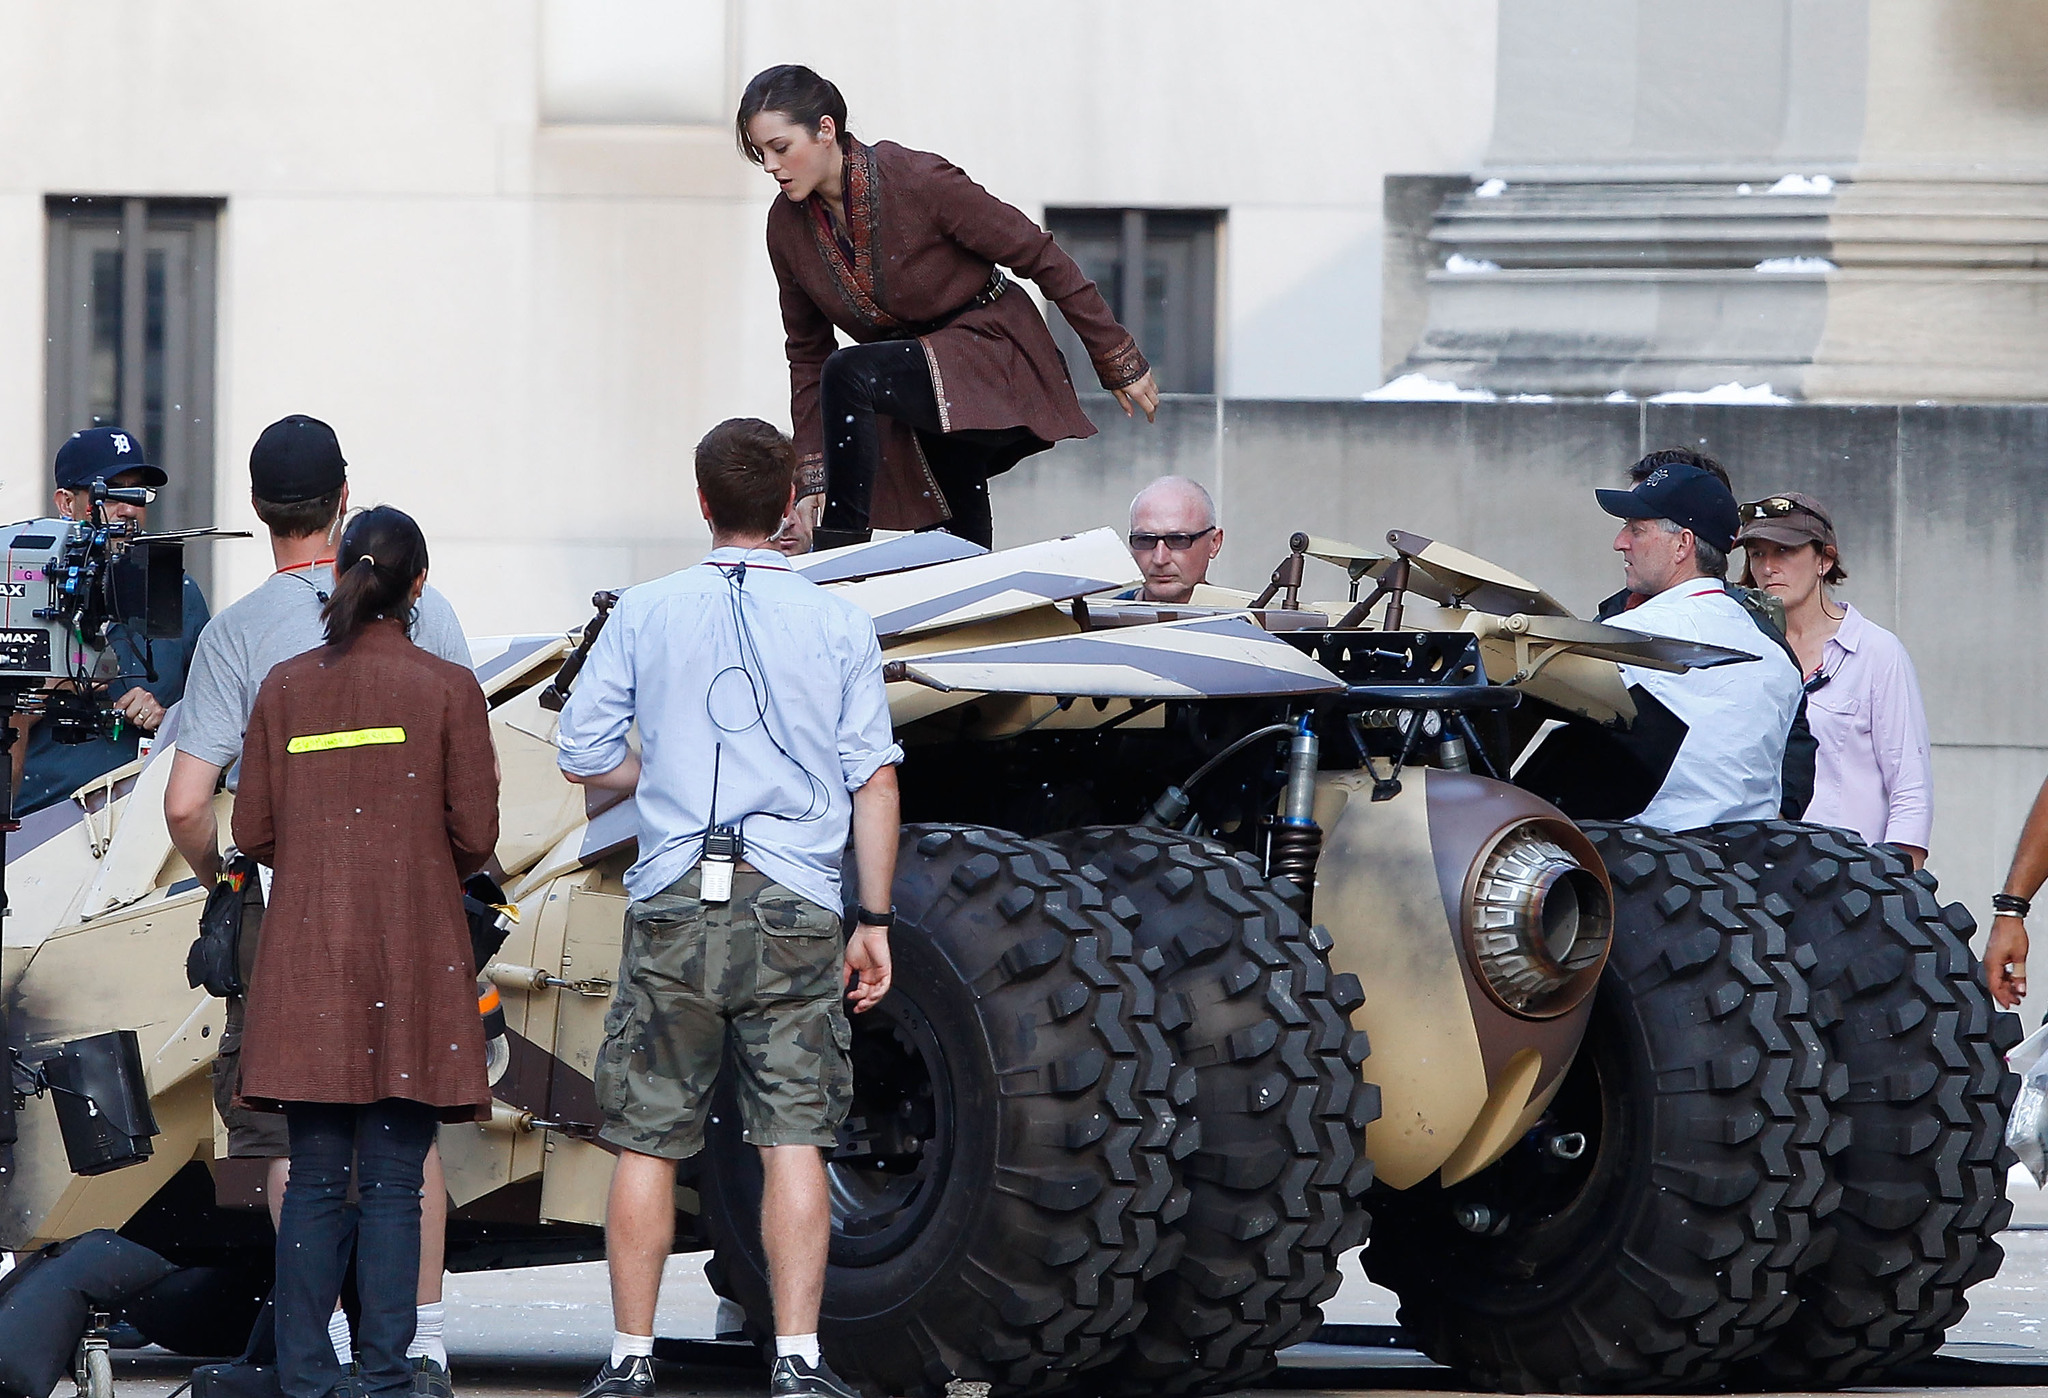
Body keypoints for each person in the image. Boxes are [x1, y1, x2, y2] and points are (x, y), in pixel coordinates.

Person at [556, 418, 901, 1398]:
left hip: (672, 899)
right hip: (794, 903)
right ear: (792, 509)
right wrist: (869, 920)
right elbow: (872, 780)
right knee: (793, 1134)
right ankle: (795, 1356)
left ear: (702, 504)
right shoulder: (839, 622)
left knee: (648, 1139)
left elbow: (581, 752)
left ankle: (629, 1360)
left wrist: (654, 771)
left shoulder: (646, 611)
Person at [163, 415, 473, 1392]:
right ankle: (413, 1343)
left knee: (303, 1139)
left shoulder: (239, 636)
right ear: (345, 497)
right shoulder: (428, 610)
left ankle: (318, 1350)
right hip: (415, 913)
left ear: (260, 512)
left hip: (293, 914)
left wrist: (224, 873)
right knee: (401, 1127)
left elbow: (185, 803)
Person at [232, 506, 499, 1398]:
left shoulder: (283, 686)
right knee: (392, 1180)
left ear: (341, 571)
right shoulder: (446, 689)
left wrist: (323, 858)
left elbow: (253, 829)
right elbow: (477, 831)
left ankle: (307, 1376)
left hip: (306, 954)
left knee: (312, 1175)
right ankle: (386, 1374)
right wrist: (408, 857)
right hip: (412, 955)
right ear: (418, 586)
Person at [739, 64, 1160, 552]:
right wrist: (813, 473)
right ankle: (964, 593)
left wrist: (1113, 353)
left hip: (990, 349)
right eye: (760, 153)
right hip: (911, 381)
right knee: (950, 534)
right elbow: (806, 353)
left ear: (826, 130)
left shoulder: (915, 178)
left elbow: (1038, 253)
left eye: (780, 147)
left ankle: (839, 554)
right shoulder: (785, 228)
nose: (770, 165)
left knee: (848, 372)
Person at [1594, 455, 1803, 829]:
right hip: (1754, 869)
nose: (1619, 543)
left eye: (1636, 529)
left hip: (1642, 867)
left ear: (1682, 545)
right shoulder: (1775, 651)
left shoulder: (1625, 637)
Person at [13, 426, 210, 813]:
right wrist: (45, 690)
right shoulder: (21, 592)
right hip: (39, 832)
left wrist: (166, 720)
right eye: (110, 492)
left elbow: (217, 725)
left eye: (138, 493)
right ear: (66, 502)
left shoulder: (178, 593)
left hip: (145, 833)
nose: (129, 508)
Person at [1737, 491, 1932, 865]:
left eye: (1784, 551)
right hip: (1756, 877)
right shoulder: (1746, 647)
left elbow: (1911, 787)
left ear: (1824, 560)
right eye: (1757, 553)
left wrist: (1898, 886)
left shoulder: (1876, 651)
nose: (1767, 567)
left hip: (1851, 884)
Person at [1127, 477, 1224, 604]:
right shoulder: (1102, 619)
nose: (1160, 559)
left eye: (1178, 540)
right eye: (1145, 540)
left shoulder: (1245, 620)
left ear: (1214, 543)